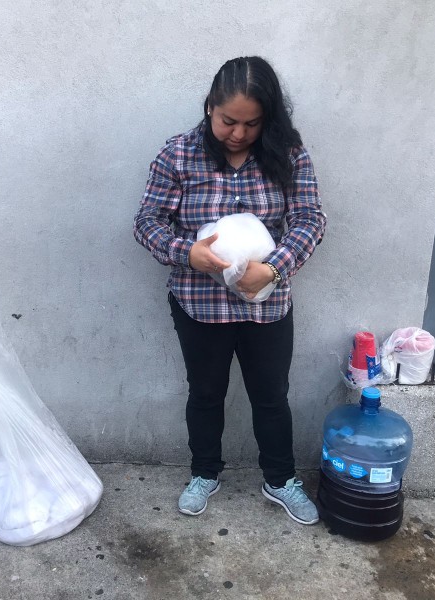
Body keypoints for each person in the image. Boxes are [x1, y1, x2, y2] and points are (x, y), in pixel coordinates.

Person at [133, 56, 326, 524]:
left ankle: (280, 479)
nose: (238, 134)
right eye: (227, 121)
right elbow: (147, 223)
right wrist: (187, 253)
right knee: (204, 392)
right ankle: (204, 473)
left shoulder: (289, 153)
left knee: (271, 395)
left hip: (267, 304)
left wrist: (275, 268)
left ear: (269, 119)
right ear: (209, 107)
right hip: (200, 305)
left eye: (252, 124)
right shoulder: (178, 155)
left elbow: (309, 218)